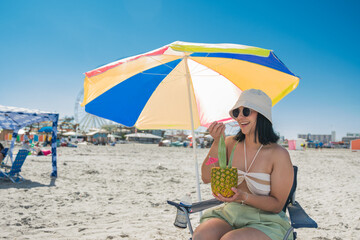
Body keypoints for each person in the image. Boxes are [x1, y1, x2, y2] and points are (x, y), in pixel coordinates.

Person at [193, 89, 294, 240]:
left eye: (246, 111)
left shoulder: (278, 154)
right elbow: (207, 176)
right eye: (236, 112)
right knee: (202, 235)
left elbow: (277, 205)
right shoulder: (229, 144)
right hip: (229, 214)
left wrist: (243, 197)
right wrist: (216, 143)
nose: (240, 117)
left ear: (262, 114)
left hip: (265, 220)